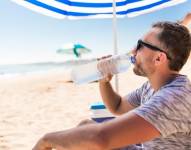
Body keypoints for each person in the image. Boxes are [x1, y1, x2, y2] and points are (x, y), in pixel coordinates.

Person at [32, 21, 191, 150]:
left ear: (159, 58)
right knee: (84, 126)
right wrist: (104, 80)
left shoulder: (175, 97)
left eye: (140, 45)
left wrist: (46, 140)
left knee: (87, 140)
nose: (133, 50)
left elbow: (100, 139)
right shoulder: (150, 87)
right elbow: (117, 106)